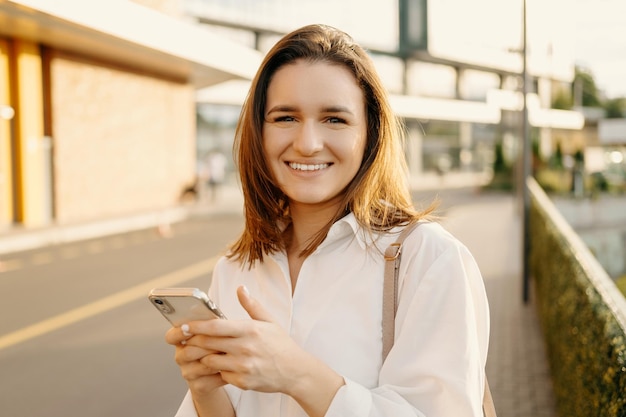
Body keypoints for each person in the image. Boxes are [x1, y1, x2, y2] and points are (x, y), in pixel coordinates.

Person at [165, 24, 490, 417]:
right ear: (259, 131)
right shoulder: (236, 268)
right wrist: (204, 390)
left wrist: (298, 374)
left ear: (370, 132)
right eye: (285, 117)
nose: (307, 143)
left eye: (334, 119)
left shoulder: (428, 260)